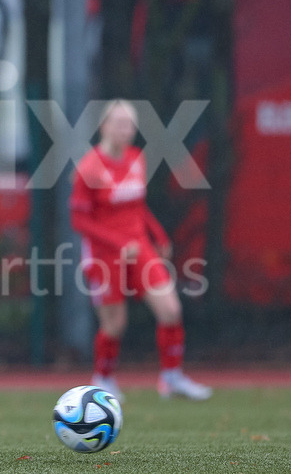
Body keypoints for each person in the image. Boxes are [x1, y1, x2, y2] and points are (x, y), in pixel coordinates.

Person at [70, 99, 211, 401]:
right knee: (115, 323)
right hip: (105, 253)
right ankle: (103, 379)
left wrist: (157, 234)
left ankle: (171, 378)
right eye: (120, 123)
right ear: (104, 126)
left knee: (171, 309)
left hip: (140, 247)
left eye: (131, 124)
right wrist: (119, 244)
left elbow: (137, 206)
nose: (127, 130)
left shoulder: (136, 158)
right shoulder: (90, 168)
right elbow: (79, 219)